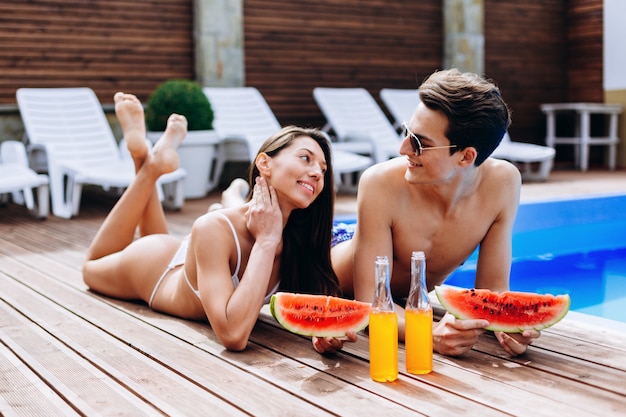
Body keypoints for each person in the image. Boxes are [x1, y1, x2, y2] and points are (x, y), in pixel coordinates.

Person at [82, 92, 350, 352]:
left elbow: (310, 306)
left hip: (198, 264)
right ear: (264, 164)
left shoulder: (304, 237)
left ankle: (146, 156)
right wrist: (267, 240)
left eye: (323, 170)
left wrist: (323, 334)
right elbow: (233, 335)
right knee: (91, 268)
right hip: (156, 270)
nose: (316, 172)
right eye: (306, 158)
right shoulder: (214, 226)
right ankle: (147, 164)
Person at [329, 69, 541, 357]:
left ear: (466, 156)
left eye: (420, 144)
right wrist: (428, 333)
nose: (403, 148)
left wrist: (510, 326)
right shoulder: (379, 183)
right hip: (327, 263)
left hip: (403, 298)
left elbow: (491, 294)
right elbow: (371, 304)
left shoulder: (502, 183)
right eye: (407, 132)